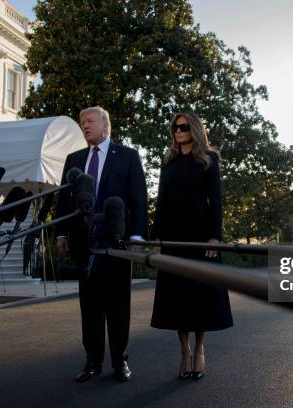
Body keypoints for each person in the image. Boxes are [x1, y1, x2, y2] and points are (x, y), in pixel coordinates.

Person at [55, 106, 147, 383]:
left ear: (105, 126)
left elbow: (139, 198)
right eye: (82, 122)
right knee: (90, 308)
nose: (85, 125)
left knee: (118, 307)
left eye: (90, 121)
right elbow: (63, 201)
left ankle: (120, 361)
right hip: (85, 245)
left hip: (116, 243)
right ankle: (93, 361)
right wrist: (62, 234)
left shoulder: (127, 156)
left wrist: (137, 237)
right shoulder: (74, 159)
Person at [150, 112, 233, 380]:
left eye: (183, 127)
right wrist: (157, 237)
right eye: (175, 127)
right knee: (177, 297)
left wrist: (215, 237)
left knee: (200, 296)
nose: (178, 131)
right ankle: (184, 350)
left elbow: (216, 200)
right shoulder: (169, 160)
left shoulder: (209, 158)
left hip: (200, 237)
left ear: (194, 129)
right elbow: (161, 201)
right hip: (173, 237)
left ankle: (199, 350)